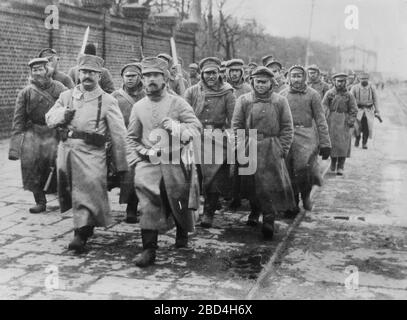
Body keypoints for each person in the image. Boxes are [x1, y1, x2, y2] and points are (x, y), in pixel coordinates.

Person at [45, 54, 128, 254]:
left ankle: (80, 234)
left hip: (92, 153)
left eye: (92, 72)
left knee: (87, 190)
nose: (87, 76)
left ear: (99, 76)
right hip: (67, 151)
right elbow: (49, 117)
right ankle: (85, 226)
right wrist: (62, 115)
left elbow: (119, 134)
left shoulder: (107, 101)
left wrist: (122, 165)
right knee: (73, 191)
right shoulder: (67, 96)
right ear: (78, 73)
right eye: (83, 72)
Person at [126, 57, 201, 267]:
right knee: (148, 205)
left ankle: (182, 231)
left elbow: (196, 129)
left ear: (165, 78)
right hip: (149, 163)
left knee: (178, 199)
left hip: (175, 160)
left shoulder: (178, 103)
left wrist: (177, 127)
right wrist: (138, 155)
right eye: (147, 75)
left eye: (155, 75)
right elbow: (131, 137)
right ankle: (149, 249)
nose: (151, 80)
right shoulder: (139, 106)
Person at [232, 66, 295, 239]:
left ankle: (269, 218)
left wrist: (282, 147)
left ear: (271, 83)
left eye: (264, 82)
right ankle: (254, 210)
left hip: (271, 146)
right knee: (251, 182)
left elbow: (287, 127)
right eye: (257, 81)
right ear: (252, 81)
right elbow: (236, 125)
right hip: (249, 144)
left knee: (269, 184)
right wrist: (239, 145)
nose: (260, 85)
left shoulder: (280, 101)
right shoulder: (244, 100)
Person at [8, 58, 68, 214]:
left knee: (59, 167)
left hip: (55, 132)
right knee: (31, 166)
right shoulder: (26, 93)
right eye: (34, 70)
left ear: (47, 70)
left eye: (40, 69)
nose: (37, 73)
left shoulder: (60, 88)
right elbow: (18, 120)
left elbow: (68, 109)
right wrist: (15, 148)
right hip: (34, 133)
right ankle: (40, 201)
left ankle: (64, 198)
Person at [184, 57, 236, 228]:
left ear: (219, 73)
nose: (210, 76)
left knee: (213, 178)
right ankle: (191, 209)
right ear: (201, 74)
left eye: (213, 72)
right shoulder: (192, 91)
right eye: (207, 73)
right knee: (194, 175)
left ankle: (208, 212)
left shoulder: (227, 92)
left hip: (217, 138)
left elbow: (233, 118)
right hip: (196, 136)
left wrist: (232, 139)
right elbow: (183, 113)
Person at [281, 65, 331, 217]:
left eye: (299, 76)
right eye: (293, 76)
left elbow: (320, 119)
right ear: (289, 78)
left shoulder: (313, 95)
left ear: (304, 78)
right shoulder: (282, 95)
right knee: (288, 170)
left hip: (307, 135)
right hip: (288, 135)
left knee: (303, 168)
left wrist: (325, 143)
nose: (296, 79)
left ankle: (306, 195)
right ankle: (292, 203)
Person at [112, 63, 146, 224]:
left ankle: (131, 208)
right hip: (120, 140)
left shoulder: (147, 95)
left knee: (136, 175)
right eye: (127, 76)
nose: (130, 79)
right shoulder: (115, 96)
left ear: (140, 77)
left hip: (142, 140)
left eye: (133, 76)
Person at [225, 58, 252, 210]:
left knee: (243, 164)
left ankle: (243, 195)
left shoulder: (248, 89)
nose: (234, 74)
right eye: (231, 71)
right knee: (229, 165)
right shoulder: (223, 88)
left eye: (237, 71)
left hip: (244, 131)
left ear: (241, 72)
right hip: (226, 131)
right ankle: (232, 195)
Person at [322, 73, 358, 176]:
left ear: (345, 82)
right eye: (338, 81)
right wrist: (326, 115)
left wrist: (351, 120)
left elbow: (354, 109)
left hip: (344, 121)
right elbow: (323, 105)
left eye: (342, 81)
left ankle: (341, 166)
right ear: (334, 82)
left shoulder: (349, 95)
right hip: (331, 121)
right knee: (332, 144)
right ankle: (333, 163)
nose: (340, 83)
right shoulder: (329, 93)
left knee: (343, 145)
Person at [350, 72, 381, 149]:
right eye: (362, 79)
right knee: (357, 127)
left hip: (368, 111)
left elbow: (375, 99)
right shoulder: (355, 87)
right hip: (357, 110)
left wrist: (377, 110)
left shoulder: (372, 88)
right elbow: (350, 99)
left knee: (367, 127)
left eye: (366, 79)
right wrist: (351, 109)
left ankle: (364, 143)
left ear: (368, 79)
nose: (364, 80)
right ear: (359, 79)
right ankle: (357, 138)